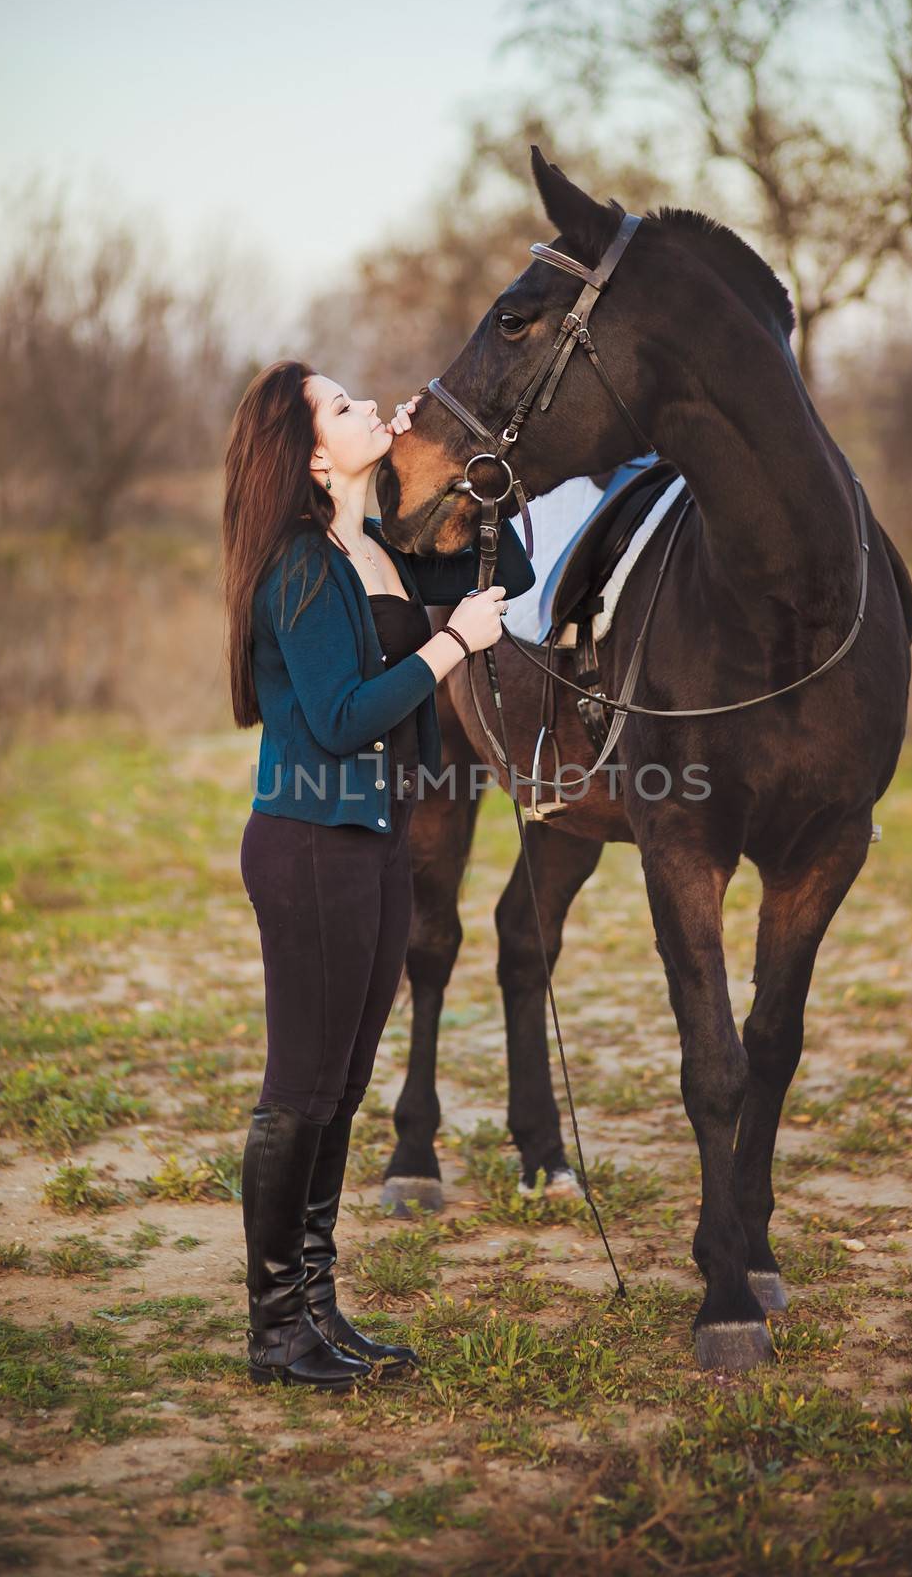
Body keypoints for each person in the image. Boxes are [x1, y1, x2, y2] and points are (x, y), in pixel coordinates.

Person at [220, 359, 536, 1389]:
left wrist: (461, 465)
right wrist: (449, 646)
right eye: (348, 407)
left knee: (341, 1087)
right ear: (312, 453)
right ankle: (275, 1330)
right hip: (309, 842)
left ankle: (316, 1308)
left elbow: (512, 575)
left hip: (375, 838)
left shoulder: (373, 548)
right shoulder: (303, 566)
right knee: (299, 1091)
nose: (374, 410)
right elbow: (339, 716)